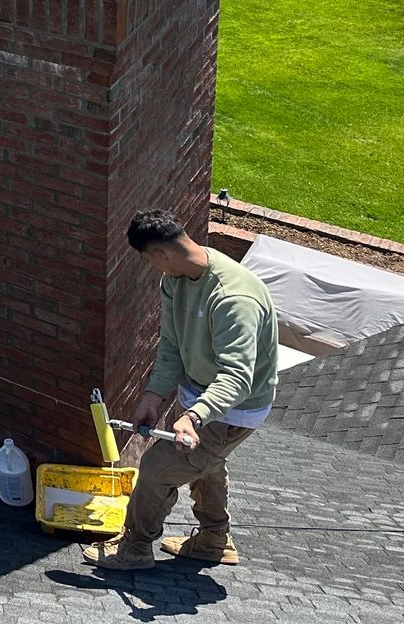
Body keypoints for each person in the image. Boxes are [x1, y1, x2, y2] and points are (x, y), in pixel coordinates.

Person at [83, 209, 278, 571]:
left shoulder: (234, 299)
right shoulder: (176, 279)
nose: (153, 269)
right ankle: (214, 541)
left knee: (158, 468)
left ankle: (136, 548)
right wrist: (154, 396)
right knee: (204, 464)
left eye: (149, 260)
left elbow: (238, 377)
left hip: (233, 409)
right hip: (196, 397)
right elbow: (171, 343)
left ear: (160, 253)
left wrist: (194, 416)